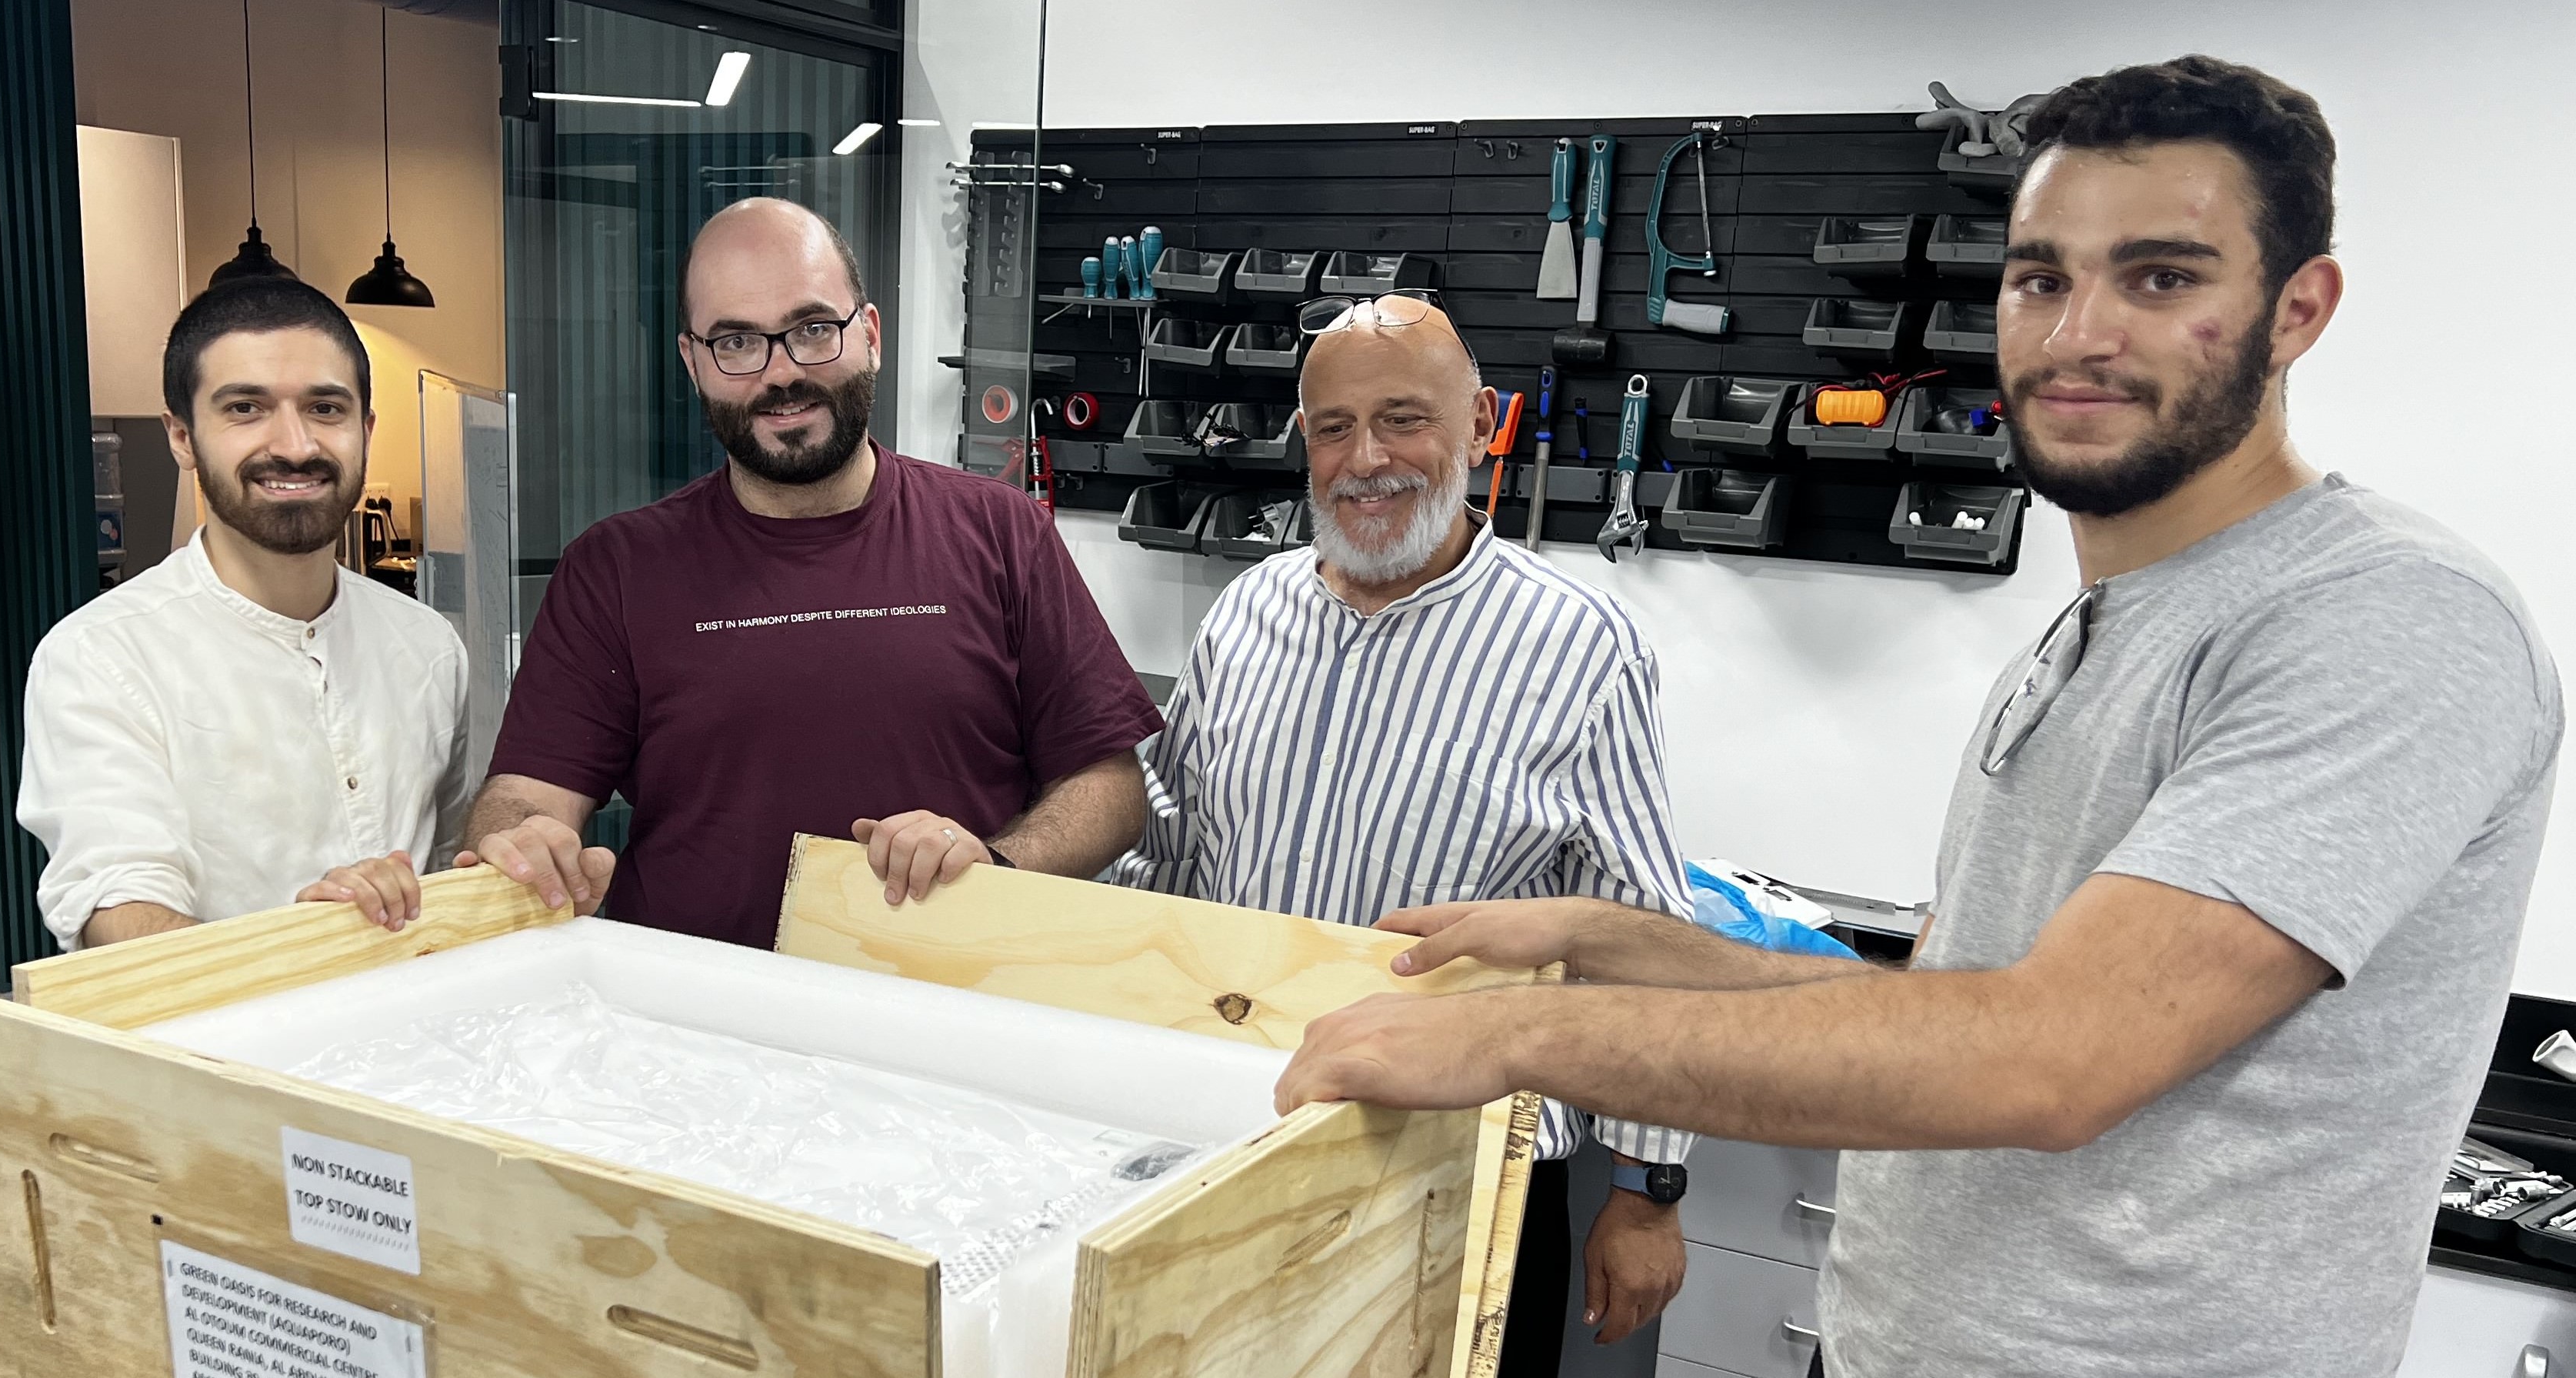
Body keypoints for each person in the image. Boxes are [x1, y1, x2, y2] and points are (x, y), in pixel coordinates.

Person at [1274, 55, 2561, 1378]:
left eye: (2161, 277)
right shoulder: (2083, 637)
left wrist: (1515, 1035)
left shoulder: (2390, 616)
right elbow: (1953, 1011)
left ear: (2299, 309)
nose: (2075, 335)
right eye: (2042, 277)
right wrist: (1608, 938)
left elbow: (2047, 1060)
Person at [1115, 293, 1691, 1365]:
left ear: (1480, 425)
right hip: (1239, 1137)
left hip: (1462, 1178)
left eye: (1403, 419)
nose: (1366, 458)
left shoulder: (1582, 646)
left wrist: (1648, 1189)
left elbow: (1643, 931)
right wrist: (1001, 861)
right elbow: (1169, 850)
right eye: (1332, 427)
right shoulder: (1246, 613)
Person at [462, 198, 1161, 947]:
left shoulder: (1002, 531)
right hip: (689, 1028)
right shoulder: (615, 569)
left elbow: (1112, 788)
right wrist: (522, 845)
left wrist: (995, 865)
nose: (781, 373)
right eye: (735, 342)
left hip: (942, 1006)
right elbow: (529, 796)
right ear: (692, 363)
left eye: (812, 330)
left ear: (870, 334)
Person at [21, 275, 476, 949]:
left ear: (365, 430)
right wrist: (296, 948)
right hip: (214, 1048)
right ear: (182, 436)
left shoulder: (428, 644)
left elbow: (449, 875)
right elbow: (117, 911)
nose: (294, 445)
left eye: (326, 408)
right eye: (245, 408)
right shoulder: (101, 657)